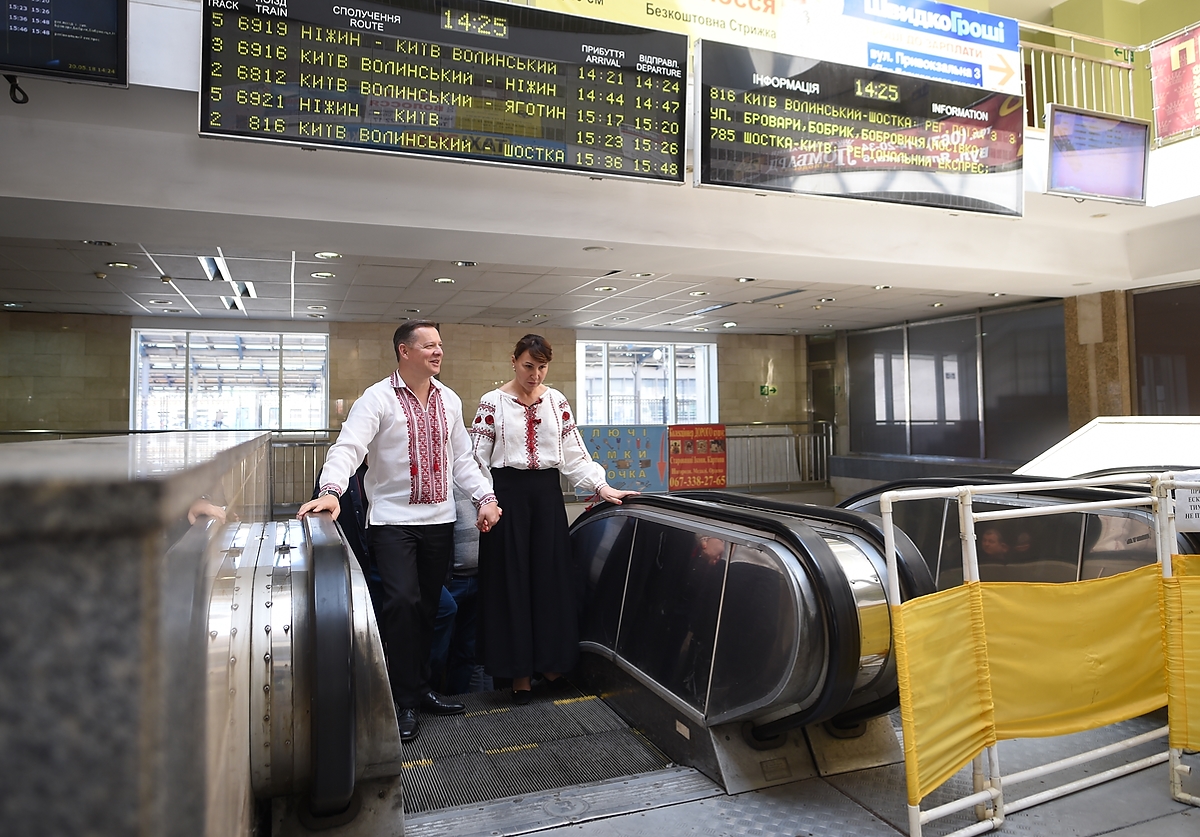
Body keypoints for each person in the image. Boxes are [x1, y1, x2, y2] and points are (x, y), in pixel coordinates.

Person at [298, 321, 501, 742]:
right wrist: (331, 491)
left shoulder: (449, 400)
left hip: (439, 522)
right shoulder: (377, 398)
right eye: (429, 346)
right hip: (392, 524)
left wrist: (484, 497)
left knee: (428, 609)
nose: (438, 351)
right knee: (402, 604)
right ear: (404, 352)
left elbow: (462, 459)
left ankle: (421, 690)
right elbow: (348, 448)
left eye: (440, 345)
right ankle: (401, 700)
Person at [470, 334, 636, 704]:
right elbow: (476, 460)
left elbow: (574, 454)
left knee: (550, 579)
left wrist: (602, 487)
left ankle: (551, 666)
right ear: (514, 361)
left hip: (547, 496)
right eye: (528, 366)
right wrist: (485, 500)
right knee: (511, 583)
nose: (535, 374)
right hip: (506, 498)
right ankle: (519, 675)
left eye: (542, 367)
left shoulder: (556, 400)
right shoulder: (492, 402)